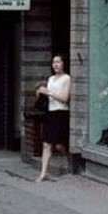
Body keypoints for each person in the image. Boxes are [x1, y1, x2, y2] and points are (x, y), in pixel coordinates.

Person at [36, 54, 72, 182]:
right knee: (46, 144)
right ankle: (43, 173)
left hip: (61, 113)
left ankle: (69, 161)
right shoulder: (51, 79)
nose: (55, 65)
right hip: (50, 113)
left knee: (59, 145)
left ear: (63, 64)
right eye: (53, 62)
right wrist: (40, 92)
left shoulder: (67, 78)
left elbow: (65, 98)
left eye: (58, 62)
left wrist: (49, 92)